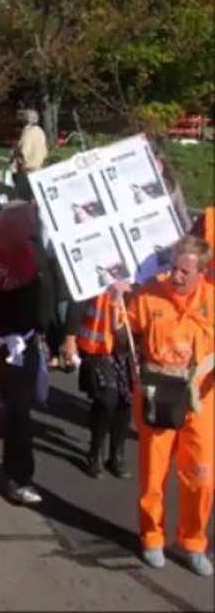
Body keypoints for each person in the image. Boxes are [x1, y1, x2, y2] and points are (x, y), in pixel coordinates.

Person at [120, 235, 214, 576]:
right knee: (153, 475)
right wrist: (119, 297)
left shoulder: (213, 301)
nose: (175, 277)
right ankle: (152, 536)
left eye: (184, 272)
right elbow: (122, 331)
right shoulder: (149, 295)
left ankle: (193, 542)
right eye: (173, 268)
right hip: (158, 396)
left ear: (202, 273)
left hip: (200, 402)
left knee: (201, 478)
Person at [0, 201, 49, 504]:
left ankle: (19, 478)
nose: (33, 230)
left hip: (21, 342)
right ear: (8, 225)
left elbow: (49, 288)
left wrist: (52, 335)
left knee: (19, 412)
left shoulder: (34, 251)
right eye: (28, 224)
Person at [74, 291, 134, 479]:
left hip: (128, 349)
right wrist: (69, 338)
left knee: (125, 401)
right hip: (98, 347)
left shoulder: (140, 279)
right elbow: (77, 303)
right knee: (107, 398)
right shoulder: (93, 277)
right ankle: (95, 452)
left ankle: (116, 455)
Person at [13, 109, 47, 197]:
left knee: (22, 198)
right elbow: (45, 151)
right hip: (38, 168)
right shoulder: (40, 132)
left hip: (26, 170)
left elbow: (24, 151)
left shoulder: (28, 133)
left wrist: (18, 161)